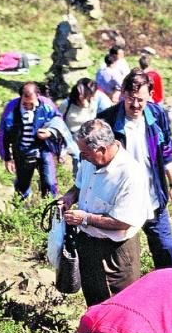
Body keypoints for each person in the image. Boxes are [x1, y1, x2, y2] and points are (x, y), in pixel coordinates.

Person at [57, 119, 149, 305]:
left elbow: (123, 222)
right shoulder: (90, 161)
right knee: (94, 302)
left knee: (119, 306)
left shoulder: (131, 174)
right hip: (88, 244)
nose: (82, 158)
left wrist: (84, 218)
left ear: (102, 149)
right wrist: (68, 197)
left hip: (116, 252)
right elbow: (79, 186)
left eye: (86, 153)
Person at [99, 70, 172, 269]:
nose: (135, 105)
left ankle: (170, 293)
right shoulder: (107, 120)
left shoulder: (157, 115)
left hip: (153, 197)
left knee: (166, 251)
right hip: (122, 201)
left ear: (150, 96)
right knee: (121, 262)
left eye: (141, 100)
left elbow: (166, 151)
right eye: (131, 99)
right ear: (123, 94)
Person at [0, 82, 64, 199]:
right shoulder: (12, 108)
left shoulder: (46, 105)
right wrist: (7, 157)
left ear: (38, 96)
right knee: (23, 186)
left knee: (49, 183)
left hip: (44, 149)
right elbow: (4, 133)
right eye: (25, 103)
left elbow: (59, 123)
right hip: (22, 152)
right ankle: (21, 212)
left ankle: (49, 208)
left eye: (31, 103)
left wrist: (52, 136)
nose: (28, 106)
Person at [59, 78, 112, 173]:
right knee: (78, 156)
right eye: (88, 95)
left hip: (90, 136)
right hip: (72, 136)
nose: (92, 98)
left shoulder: (95, 101)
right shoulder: (67, 104)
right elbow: (58, 120)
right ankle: (78, 179)